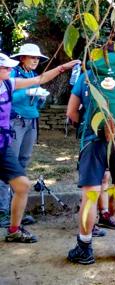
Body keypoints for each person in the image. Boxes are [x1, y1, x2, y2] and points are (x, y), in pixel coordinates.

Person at [66, 48, 115, 264]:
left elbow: (71, 112)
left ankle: (84, 247)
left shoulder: (87, 76)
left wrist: (87, 126)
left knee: (90, 194)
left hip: (93, 140)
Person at [0, 52, 80, 243]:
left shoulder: (8, 83)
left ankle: (13, 230)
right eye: (6, 68)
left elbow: (40, 78)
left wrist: (63, 67)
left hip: (3, 145)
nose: (11, 70)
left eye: (11, 67)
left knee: (22, 186)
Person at [0, 44, 50, 228]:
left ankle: (16, 211)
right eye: (32, 57)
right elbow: (10, 98)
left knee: (22, 164)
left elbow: (34, 106)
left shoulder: (31, 76)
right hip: (15, 122)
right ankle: (2, 211)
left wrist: (40, 99)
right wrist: (28, 93)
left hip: (31, 122)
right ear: (22, 58)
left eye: (37, 58)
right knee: (8, 167)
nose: (36, 60)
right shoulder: (11, 74)